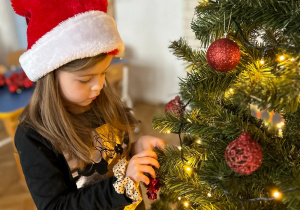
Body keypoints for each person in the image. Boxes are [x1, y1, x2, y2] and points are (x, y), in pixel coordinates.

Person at [11, 0, 167, 209]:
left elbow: (115, 156)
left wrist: (136, 149)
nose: (98, 86)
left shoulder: (104, 104)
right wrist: (121, 186)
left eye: (103, 73)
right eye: (85, 79)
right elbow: (55, 206)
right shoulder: (33, 135)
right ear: (49, 76)